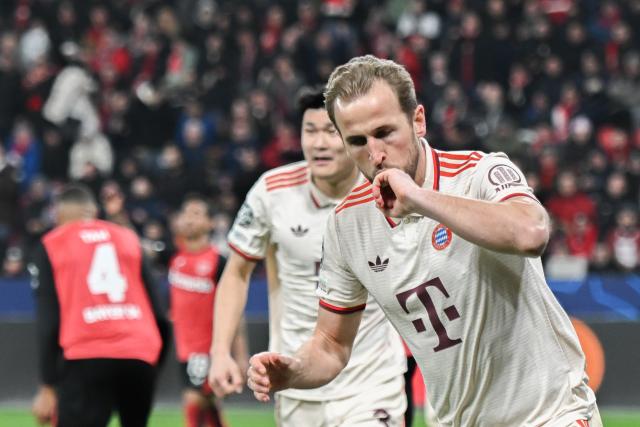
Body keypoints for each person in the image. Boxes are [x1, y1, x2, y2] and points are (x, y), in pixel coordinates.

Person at [247, 55, 602, 427]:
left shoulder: (478, 174)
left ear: (418, 120)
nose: (375, 154)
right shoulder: (347, 225)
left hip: (551, 415)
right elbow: (332, 345)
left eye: (385, 133)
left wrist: (418, 198)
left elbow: (531, 232)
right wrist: (293, 371)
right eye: (356, 141)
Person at [209, 86, 407, 426]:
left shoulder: (389, 191)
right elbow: (237, 272)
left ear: (352, 136)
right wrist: (219, 351)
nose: (318, 143)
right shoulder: (272, 192)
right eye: (309, 131)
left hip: (372, 383)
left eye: (331, 132)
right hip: (296, 383)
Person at [30, 184, 169, 427]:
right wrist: (152, 366)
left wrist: (47, 385)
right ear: (94, 212)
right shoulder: (128, 238)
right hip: (139, 354)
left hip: (87, 354)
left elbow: (49, 320)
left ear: (58, 215)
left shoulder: (52, 243)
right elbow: (159, 314)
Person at [168, 194, 248, 427]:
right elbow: (132, 246)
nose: (189, 219)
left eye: (196, 214)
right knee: (209, 402)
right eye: (186, 213)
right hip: (184, 347)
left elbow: (235, 309)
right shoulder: (175, 256)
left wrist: (240, 354)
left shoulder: (218, 261)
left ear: (210, 223)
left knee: (193, 400)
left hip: (207, 347)